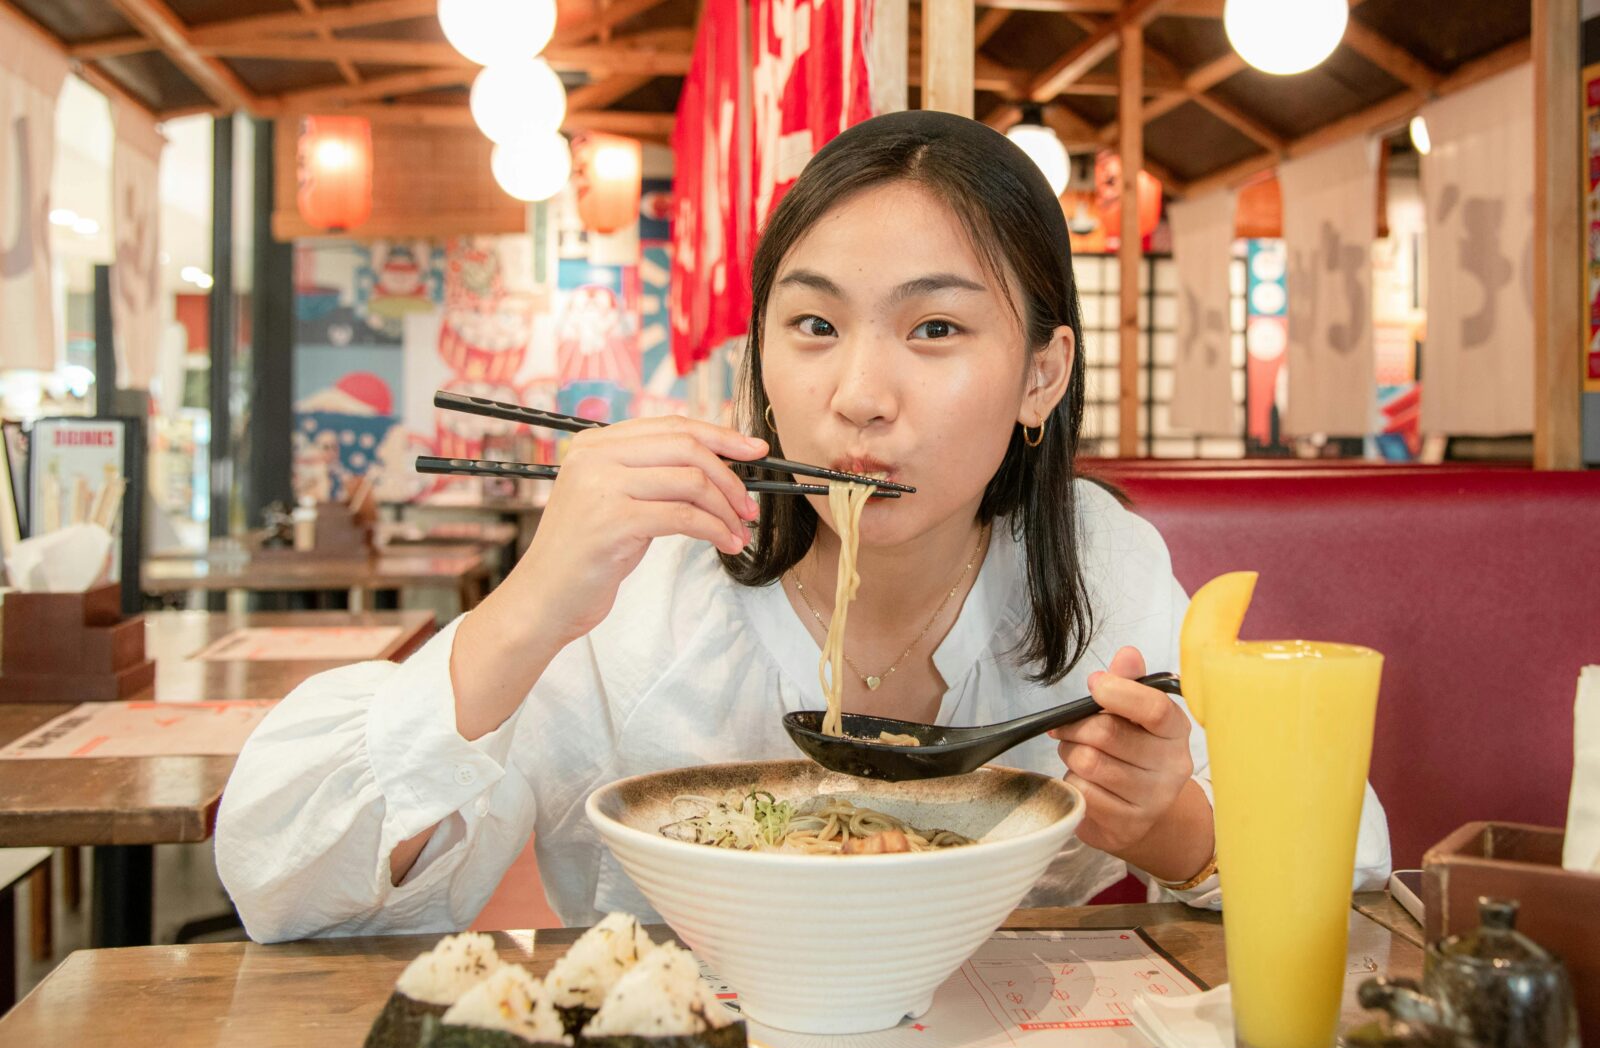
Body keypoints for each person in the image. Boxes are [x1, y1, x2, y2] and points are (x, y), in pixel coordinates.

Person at [216, 111, 1390, 942]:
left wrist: (1174, 827)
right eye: (814, 327)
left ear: (1042, 376)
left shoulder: (1091, 567)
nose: (859, 396)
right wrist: (526, 608)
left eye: (934, 330)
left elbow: (1347, 861)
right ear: (762, 358)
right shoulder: (649, 590)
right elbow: (291, 889)